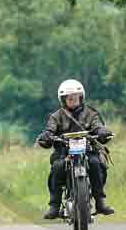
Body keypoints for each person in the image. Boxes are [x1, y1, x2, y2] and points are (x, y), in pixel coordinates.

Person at [36, 79, 115, 219]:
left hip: (88, 150)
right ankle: (54, 206)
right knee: (57, 167)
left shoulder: (91, 113)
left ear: (81, 96)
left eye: (75, 95)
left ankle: (100, 202)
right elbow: (50, 130)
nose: (72, 99)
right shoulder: (56, 116)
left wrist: (102, 130)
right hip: (63, 153)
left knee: (96, 163)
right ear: (63, 99)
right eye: (69, 97)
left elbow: (97, 125)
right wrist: (47, 135)